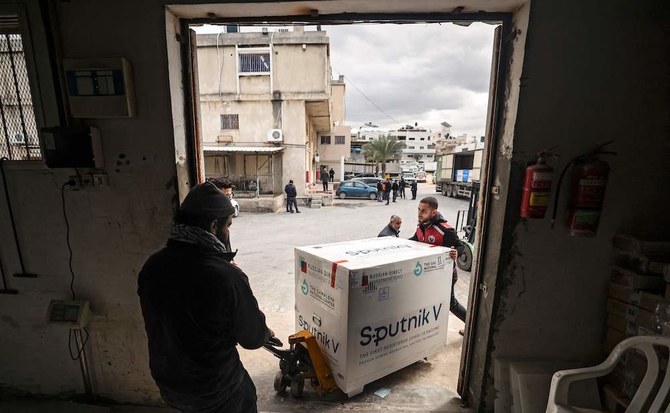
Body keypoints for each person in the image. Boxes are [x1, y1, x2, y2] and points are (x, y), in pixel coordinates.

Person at [137, 182, 273, 413]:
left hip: (170, 385)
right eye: (227, 225)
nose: (228, 233)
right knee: (244, 392)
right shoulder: (226, 277)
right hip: (216, 390)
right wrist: (265, 332)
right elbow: (252, 338)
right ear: (213, 226)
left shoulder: (152, 265)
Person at [409, 196, 466, 330]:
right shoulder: (420, 227)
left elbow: (461, 246)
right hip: (429, 273)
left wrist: (455, 253)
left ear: (434, 212)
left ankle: (472, 325)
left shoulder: (445, 230)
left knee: (451, 304)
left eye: (424, 211)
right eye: (419, 210)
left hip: (446, 275)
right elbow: (415, 240)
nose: (419, 213)